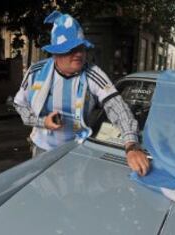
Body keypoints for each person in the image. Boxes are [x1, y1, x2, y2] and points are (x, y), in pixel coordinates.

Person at [13, 11, 149, 176]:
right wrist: (42, 122)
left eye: (81, 48)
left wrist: (131, 145)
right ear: (56, 53)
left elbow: (117, 107)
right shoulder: (36, 72)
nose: (78, 53)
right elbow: (20, 103)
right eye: (70, 49)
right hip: (42, 149)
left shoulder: (93, 74)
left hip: (77, 149)